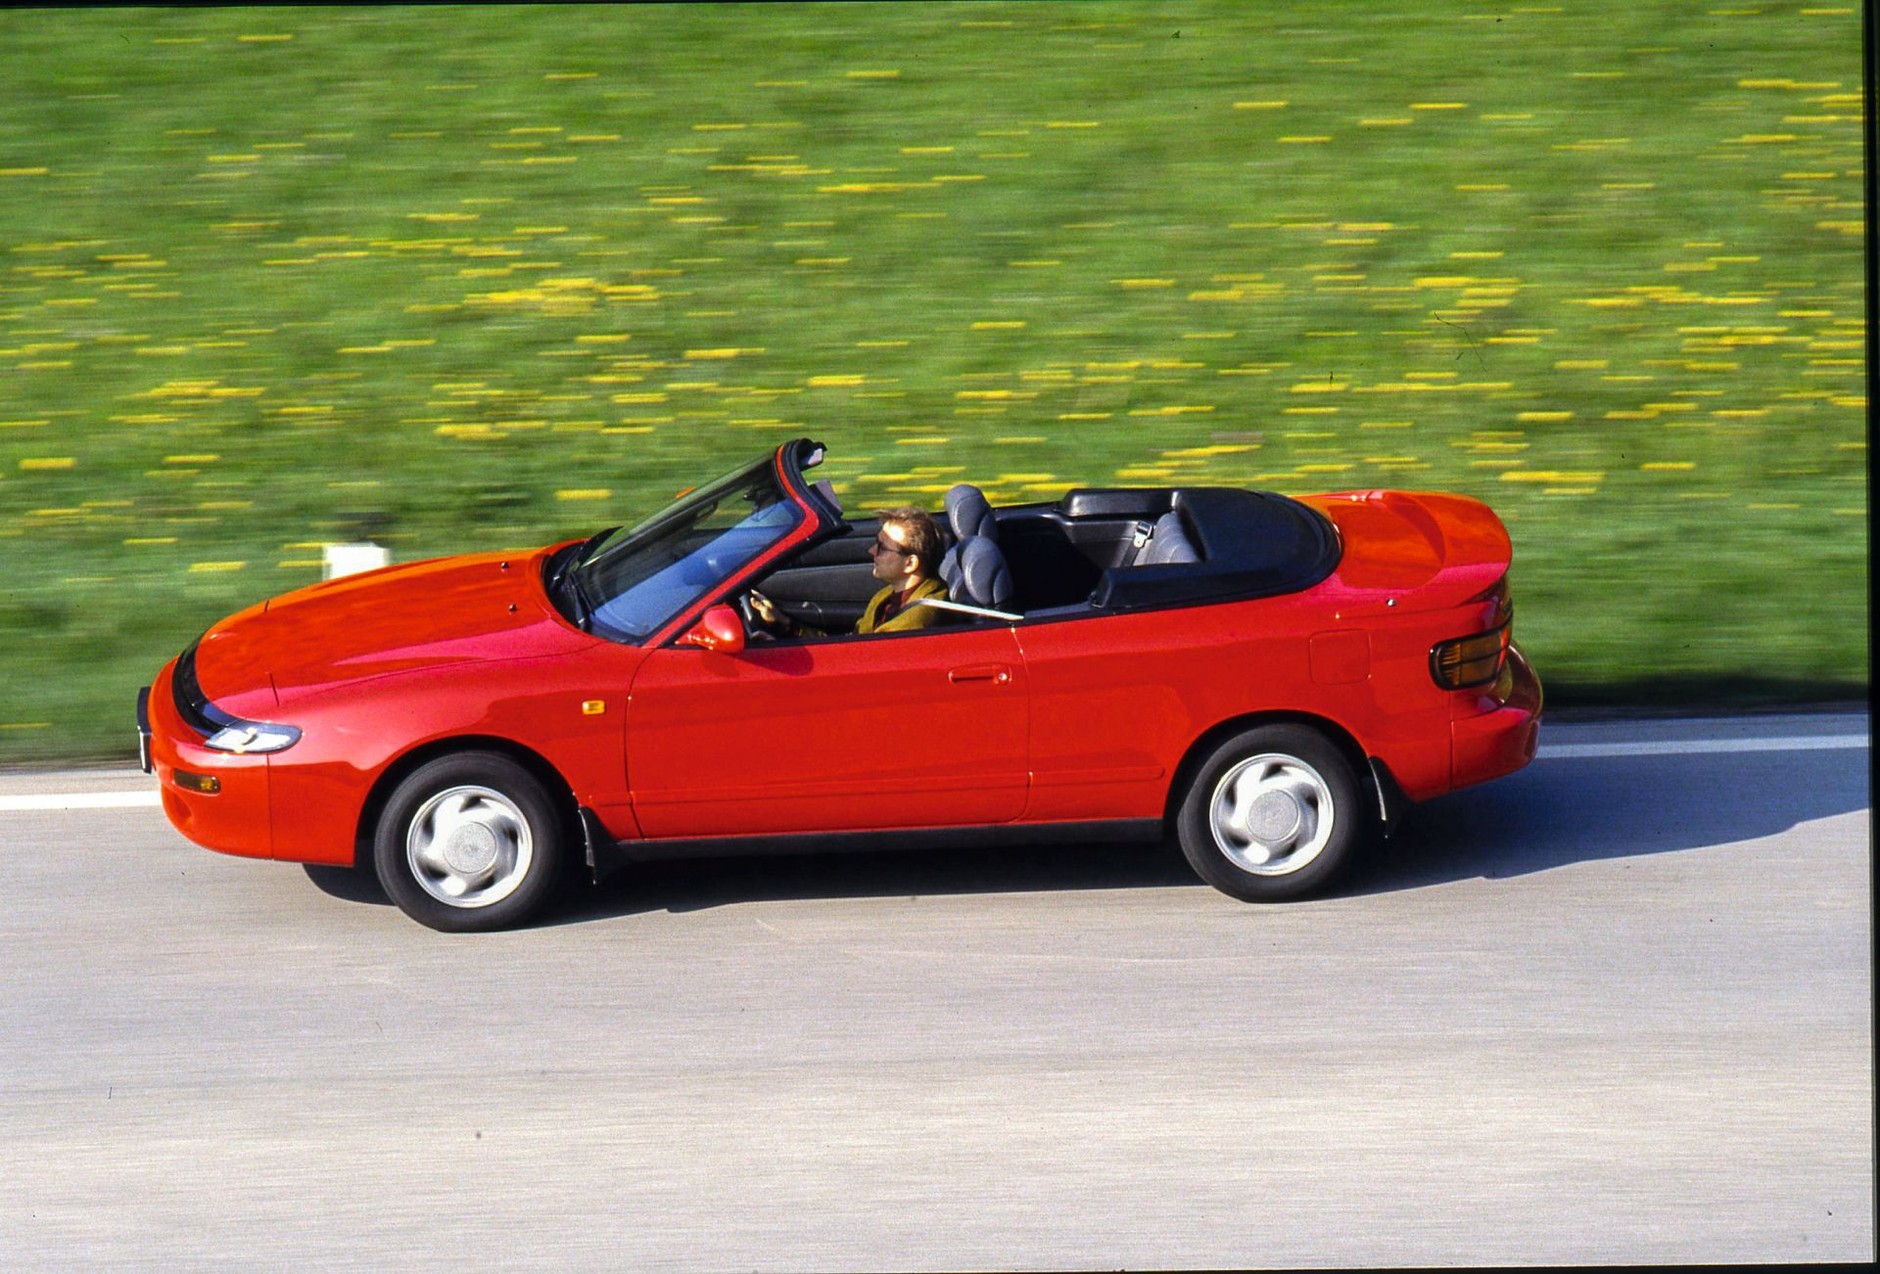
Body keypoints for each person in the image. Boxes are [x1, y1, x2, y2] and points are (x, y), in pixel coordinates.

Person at [749, 505, 949, 637]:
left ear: (910, 564)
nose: (871, 551)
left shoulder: (916, 620)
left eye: (882, 548)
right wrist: (786, 625)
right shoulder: (888, 596)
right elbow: (850, 643)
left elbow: (857, 658)